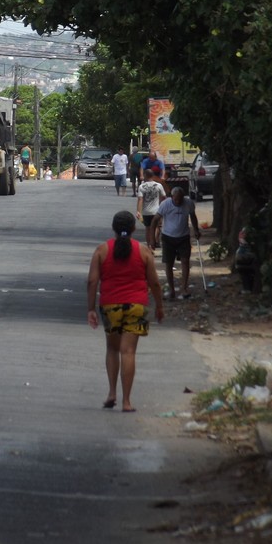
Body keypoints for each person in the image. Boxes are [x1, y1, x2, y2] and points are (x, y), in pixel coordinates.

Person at [87, 210, 164, 413]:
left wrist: (90, 309)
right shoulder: (144, 251)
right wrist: (159, 306)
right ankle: (126, 402)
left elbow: (92, 281)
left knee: (112, 349)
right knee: (128, 352)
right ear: (133, 228)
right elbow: (155, 283)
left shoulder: (102, 250)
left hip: (110, 305)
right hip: (136, 306)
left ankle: (112, 393)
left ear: (113, 228)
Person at [152, 187, 200, 300]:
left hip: (183, 237)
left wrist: (196, 230)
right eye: (176, 199)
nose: (178, 202)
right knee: (169, 264)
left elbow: (193, 216)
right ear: (172, 197)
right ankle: (171, 290)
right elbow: (155, 220)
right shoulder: (165, 204)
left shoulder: (188, 203)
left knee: (185, 261)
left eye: (180, 199)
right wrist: (152, 239)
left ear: (183, 197)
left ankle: (184, 288)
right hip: (168, 237)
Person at [136, 169, 166, 250]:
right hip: (157, 211)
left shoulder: (141, 186)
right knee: (157, 227)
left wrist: (138, 211)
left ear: (145, 175)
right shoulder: (159, 185)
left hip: (146, 212)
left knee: (148, 228)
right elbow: (163, 197)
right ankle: (155, 242)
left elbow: (140, 199)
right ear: (153, 176)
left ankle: (149, 245)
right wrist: (161, 206)